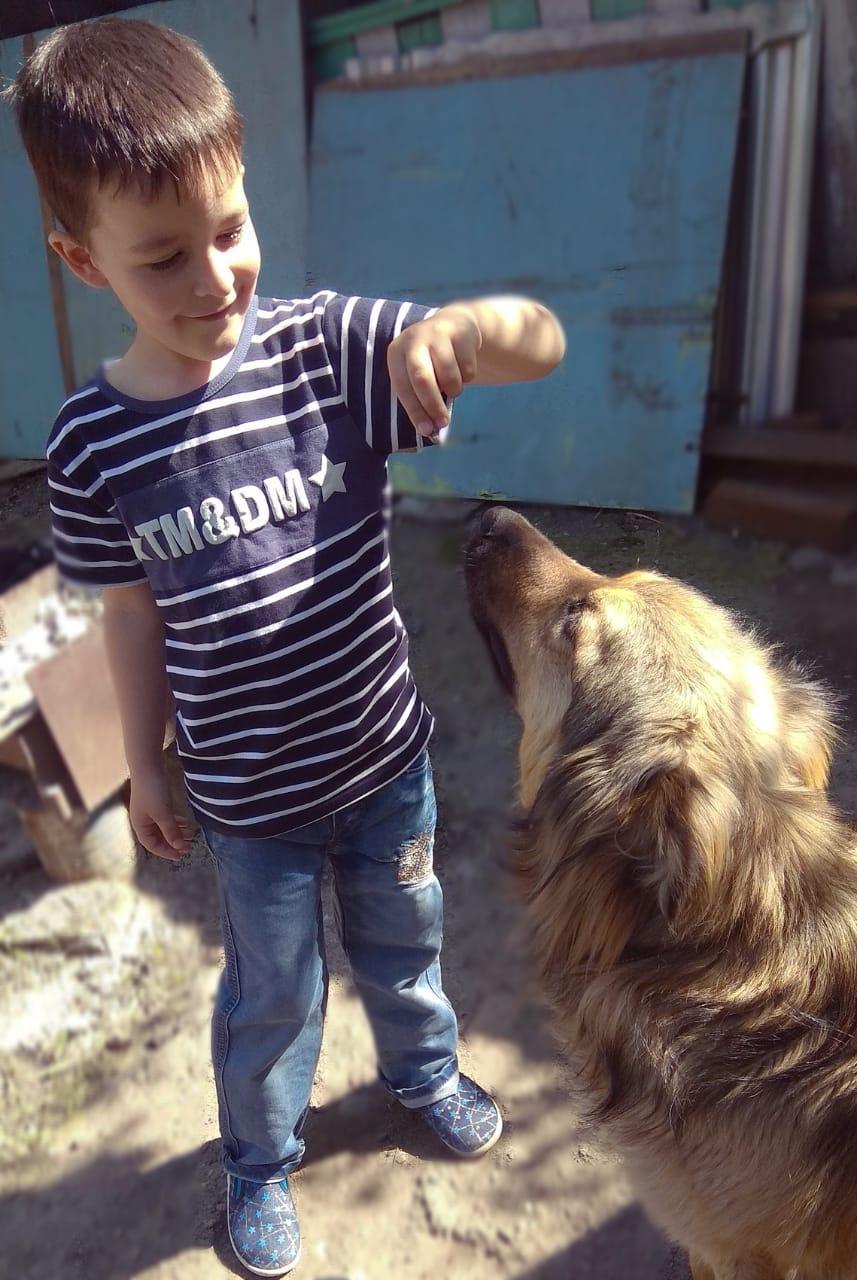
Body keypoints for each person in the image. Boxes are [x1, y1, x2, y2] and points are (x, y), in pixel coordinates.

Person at [6, 18, 565, 1277]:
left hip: (382, 764)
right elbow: (130, 614)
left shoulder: (327, 348)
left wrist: (462, 327)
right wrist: (145, 764)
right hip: (247, 801)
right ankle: (258, 1160)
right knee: (271, 995)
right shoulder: (93, 444)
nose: (213, 280)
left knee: (405, 939)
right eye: (162, 259)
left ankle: (423, 1075)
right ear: (79, 258)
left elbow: (542, 340)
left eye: (230, 231)